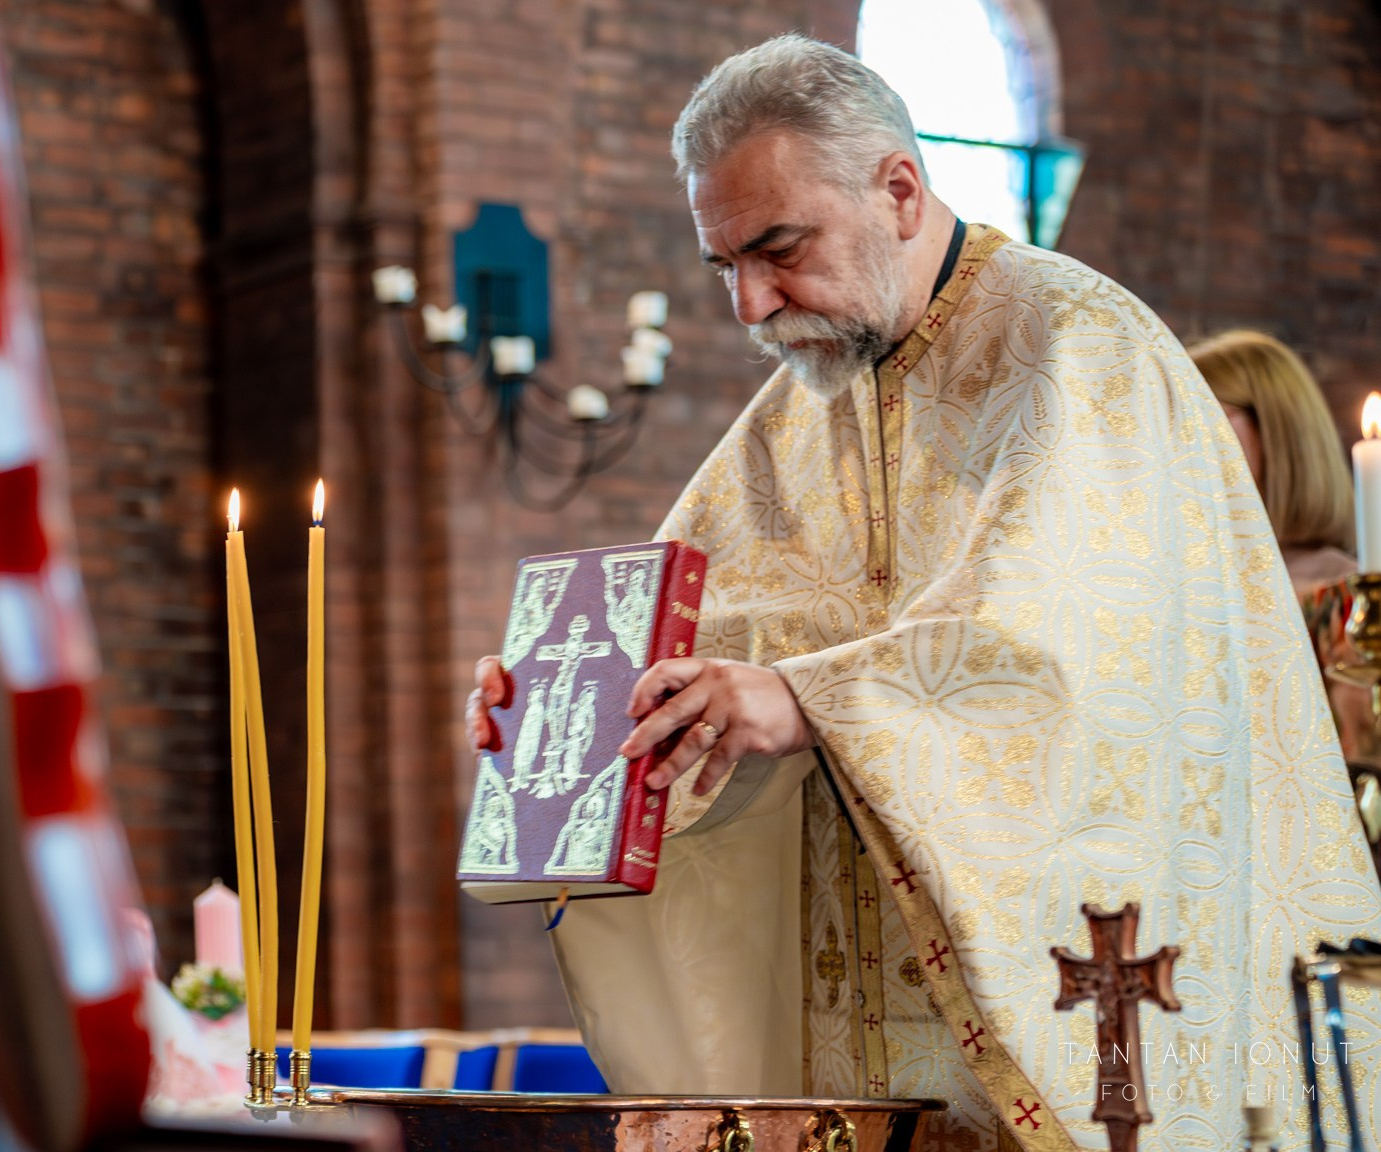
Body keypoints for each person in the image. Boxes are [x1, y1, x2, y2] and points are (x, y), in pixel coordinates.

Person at [462, 35, 1381, 1149]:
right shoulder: (807, 398)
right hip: (860, 1035)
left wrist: (805, 700)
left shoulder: (1077, 350)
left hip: (1080, 1004)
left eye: (778, 247)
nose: (751, 304)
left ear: (898, 187)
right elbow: (713, 639)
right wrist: (573, 697)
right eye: (723, 267)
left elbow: (1061, 653)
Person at [1190, 329, 1381, 870]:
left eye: (1206, 414)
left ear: (1278, 428)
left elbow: (1359, 775)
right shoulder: (1179, 584)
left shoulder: (1353, 602)